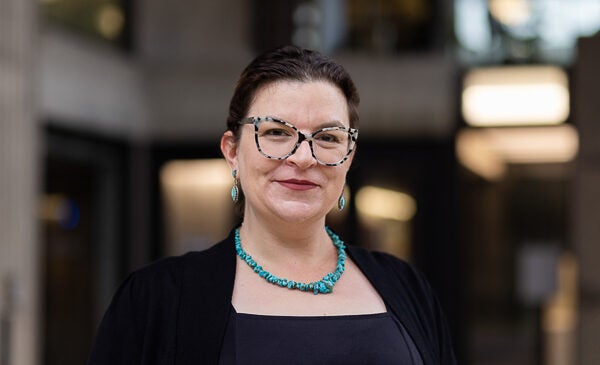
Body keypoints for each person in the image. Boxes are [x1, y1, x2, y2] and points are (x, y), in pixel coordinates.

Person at [88, 45, 457, 364]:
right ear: (232, 151)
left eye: (327, 137)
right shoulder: (155, 299)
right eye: (277, 132)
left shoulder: (406, 285)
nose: (303, 157)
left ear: (348, 156)